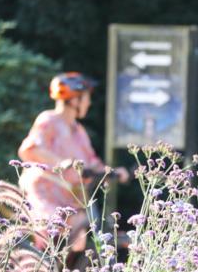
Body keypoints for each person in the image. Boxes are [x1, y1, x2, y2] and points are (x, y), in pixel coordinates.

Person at [17, 72, 129, 253]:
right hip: (45, 196)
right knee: (52, 230)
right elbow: (28, 150)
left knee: (80, 239)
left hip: (70, 199)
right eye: (86, 98)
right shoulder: (49, 120)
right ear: (74, 100)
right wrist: (62, 162)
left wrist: (112, 172)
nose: (89, 103)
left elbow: (92, 162)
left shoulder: (79, 131)